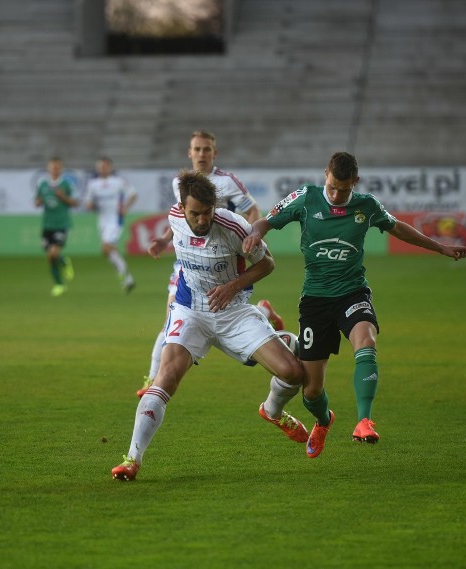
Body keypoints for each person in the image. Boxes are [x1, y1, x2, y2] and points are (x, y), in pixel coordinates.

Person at [242, 151, 466, 458]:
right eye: (333, 187)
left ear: (355, 183)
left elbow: (398, 227)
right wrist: (255, 233)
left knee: (366, 341)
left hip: (352, 292)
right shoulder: (305, 199)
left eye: (344, 189)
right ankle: (324, 420)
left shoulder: (367, 206)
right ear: (326, 175)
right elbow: (266, 222)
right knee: (311, 390)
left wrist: (440, 247)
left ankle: (364, 421)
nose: (337, 195)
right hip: (316, 300)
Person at [111, 170, 308, 481]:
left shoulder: (233, 226)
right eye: (195, 213)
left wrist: (233, 286)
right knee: (165, 379)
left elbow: (267, 262)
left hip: (234, 313)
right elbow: (174, 229)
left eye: (207, 212)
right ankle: (131, 459)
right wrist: (161, 243)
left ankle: (272, 411)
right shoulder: (175, 216)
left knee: (294, 373)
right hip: (191, 313)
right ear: (183, 208)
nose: (201, 220)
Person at [137, 130, 261, 397]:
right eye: (197, 149)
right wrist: (163, 240)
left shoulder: (228, 182)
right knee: (170, 318)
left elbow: (252, 209)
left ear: (214, 153)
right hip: (188, 263)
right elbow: (182, 217)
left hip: (221, 263)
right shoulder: (179, 183)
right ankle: (152, 381)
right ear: (189, 153)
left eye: (207, 149)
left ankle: (262, 313)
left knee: (231, 327)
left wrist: (251, 237)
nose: (202, 154)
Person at [84, 156, 137, 293]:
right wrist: (89, 206)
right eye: (100, 166)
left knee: (107, 247)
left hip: (115, 220)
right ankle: (125, 275)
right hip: (102, 221)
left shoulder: (118, 181)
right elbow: (88, 202)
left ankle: (127, 277)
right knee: (106, 250)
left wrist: (126, 207)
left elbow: (133, 194)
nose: (102, 168)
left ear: (110, 167)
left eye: (105, 166)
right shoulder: (93, 184)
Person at [34, 157, 79, 297]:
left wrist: (63, 197)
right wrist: (39, 201)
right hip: (47, 224)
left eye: (57, 167)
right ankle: (61, 277)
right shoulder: (42, 183)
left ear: (61, 169)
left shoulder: (67, 184)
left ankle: (60, 282)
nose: (55, 170)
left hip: (61, 223)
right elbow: (37, 201)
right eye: (52, 167)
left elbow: (75, 203)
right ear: (48, 168)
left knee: (53, 253)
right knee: (50, 256)